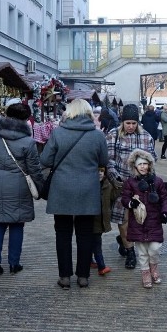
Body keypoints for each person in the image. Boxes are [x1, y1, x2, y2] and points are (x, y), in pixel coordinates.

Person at [41, 98, 108, 288]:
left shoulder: (58, 133)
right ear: (88, 113)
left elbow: (45, 160)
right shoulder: (97, 136)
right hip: (88, 189)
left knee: (62, 233)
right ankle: (83, 276)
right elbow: (103, 160)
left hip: (61, 189)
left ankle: (64, 276)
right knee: (85, 233)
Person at [0, 102, 44, 276]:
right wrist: (41, 189)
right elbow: (34, 169)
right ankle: (14, 263)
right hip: (18, 186)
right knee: (17, 224)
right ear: (26, 120)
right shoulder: (28, 142)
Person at [106, 104, 157, 269]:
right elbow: (109, 159)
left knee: (140, 217)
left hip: (141, 185)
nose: (131, 126)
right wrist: (115, 177)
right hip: (121, 183)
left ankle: (123, 240)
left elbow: (152, 158)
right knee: (124, 219)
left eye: (134, 123)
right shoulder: (113, 135)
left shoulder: (146, 137)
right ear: (122, 122)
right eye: (128, 123)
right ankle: (130, 253)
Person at [121, 150, 167, 288]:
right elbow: (124, 198)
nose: (143, 167)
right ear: (135, 167)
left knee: (154, 248)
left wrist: (165, 212)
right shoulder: (130, 182)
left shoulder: (158, 181)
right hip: (138, 222)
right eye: (140, 164)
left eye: (145, 164)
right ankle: (146, 274)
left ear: (149, 165)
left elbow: (165, 198)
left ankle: (154, 268)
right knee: (142, 252)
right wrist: (131, 203)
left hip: (154, 221)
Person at [91, 166, 119, 276]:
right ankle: (101, 267)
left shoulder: (107, 185)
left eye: (102, 171)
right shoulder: (90, 184)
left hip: (101, 221)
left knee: (91, 243)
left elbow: (113, 196)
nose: (99, 173)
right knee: (97, 245)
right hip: (92, 221)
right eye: (97, 171)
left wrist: (120, 185)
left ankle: (90, 261)